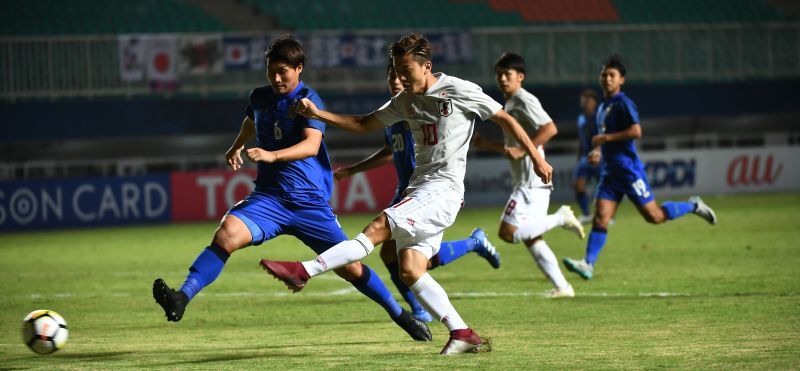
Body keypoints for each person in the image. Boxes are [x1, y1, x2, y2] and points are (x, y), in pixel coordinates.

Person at [260, 33, 553, 355]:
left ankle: (304, 271)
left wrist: (537, 158)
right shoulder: (405, 101)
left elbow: (505, 119)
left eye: (405, 70)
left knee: (376, 229)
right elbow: (363, 123)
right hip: (420, 186)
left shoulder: (458, 90)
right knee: (411, 268)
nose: (399, 78)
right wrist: (318, 115)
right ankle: (462, 333)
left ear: (426, 66)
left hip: (444, 189)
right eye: (396, 70)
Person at [151, 35, 432, 342]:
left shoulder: (308, 101)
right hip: (269, 199)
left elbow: (312, 146)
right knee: (226, 234)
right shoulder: (260, 96)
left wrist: (271, 155)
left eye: (283, 71)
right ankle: (182, 296)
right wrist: (237, 146)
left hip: (309, 203)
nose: (276, 78)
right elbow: (252, 119)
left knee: (350, 268)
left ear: (299, 68)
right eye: (271, 70)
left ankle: (400, 315)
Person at [334, 62, 502, 322]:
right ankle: (425, 301)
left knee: (406, 256)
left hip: (426, 190)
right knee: (399, 255)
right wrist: (353, 170)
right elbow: (390, 152)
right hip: (405, 188)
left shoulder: (419, 107)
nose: (396, 82)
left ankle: (467, 250)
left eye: (401, 78)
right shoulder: (394, 113)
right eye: (392, 78)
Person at [562, 55, 717, 280]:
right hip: (610, 173)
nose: (607, 79)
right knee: (600, 217)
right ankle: (588, 264)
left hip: (629, 170)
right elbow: (602, 139)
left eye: (612, 75)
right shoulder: (602, 106)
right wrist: (597, 151)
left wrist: (606, 139)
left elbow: (636, 131)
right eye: (604, 75)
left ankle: (693, 205)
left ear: (621, 80)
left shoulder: (624, 103)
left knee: (654, 216)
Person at [472, 52, 584, 298]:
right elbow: (514, 149)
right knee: (532, 238)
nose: (502, 78)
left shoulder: (523, 99)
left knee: (507, 232)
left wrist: (525, 150)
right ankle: (563, 287)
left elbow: (550, 128)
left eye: (508, 74)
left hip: (530, 181)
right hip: (530, 181)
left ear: (520, 77)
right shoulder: (511, 103)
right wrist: (486, 145)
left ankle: (561, 218)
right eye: (499, 74)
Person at [573, 89, 602, 224]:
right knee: (578, 186)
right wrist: (578, 157)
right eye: (583, 101)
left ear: (595, 103)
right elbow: (581, 139)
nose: (585, 103)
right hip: (585, 158)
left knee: (603, 188)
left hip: (599, 158)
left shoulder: (599, 118)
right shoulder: (580, 118)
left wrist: (599, 151)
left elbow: (603, 137)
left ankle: (606, 216)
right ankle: (586, 214)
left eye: (588, 101)